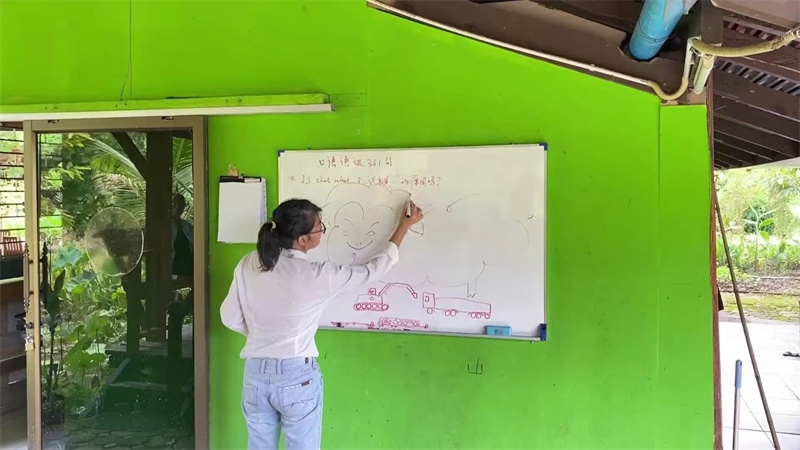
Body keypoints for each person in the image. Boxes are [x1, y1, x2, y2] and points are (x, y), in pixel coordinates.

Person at [220, 198, 423, 450]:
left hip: (255, 375)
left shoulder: (249, 263)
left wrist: (262, 337)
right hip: (296, 376)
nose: (322, 232)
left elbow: (229, 316)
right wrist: (403, 227)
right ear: (303, 240)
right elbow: (372, 270)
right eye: (320, 228)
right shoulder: (318, 275)